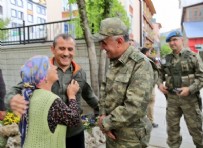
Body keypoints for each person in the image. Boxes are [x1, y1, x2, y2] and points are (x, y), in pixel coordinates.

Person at [4, 34, 99, 148]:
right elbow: (18, 88)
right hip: (52, 134)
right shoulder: (44, 71)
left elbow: (89, 96)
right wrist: (11, 99)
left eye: (70, 49)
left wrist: (104, 114)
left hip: (75, 133)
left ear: (74, 51)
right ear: (53, 49)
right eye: (61, 48)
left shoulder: (80, 73)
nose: (66, 53)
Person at [93, 17, 154, 148]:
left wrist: (106, 123)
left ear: (119, 41)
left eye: (104, 43)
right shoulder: (115, 61)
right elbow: (105, 90)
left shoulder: (141, 64)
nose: (102, 47)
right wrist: (102, 115)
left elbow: (134, 107)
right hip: (112, 133)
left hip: (130, 139)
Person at [19, 55, 80, 147]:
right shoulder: (51, 100)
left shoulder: (29, 96)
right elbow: (74, 120)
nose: (55, 67)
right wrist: (72, 96)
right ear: (43, 76)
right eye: (50, 66)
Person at [157, 30, 203, 148]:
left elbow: (201, 77)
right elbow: (158, 74)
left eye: (175, 40)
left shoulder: (192, 56)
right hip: (172, 100)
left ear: (181, 40)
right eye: (170, 41)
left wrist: (190, 89)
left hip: (190, 100)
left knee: (196, 131)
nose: (172, 43)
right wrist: (159, 84)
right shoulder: (166, 59)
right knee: (172, 131)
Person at [140, 47, 159, 128]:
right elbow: (155, 73)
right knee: (150, 103)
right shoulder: (149, 61)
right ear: (146, 53)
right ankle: (150, 121)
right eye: (149, 52)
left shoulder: (138, 60)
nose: (150, 54)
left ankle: (141, 121)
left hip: (140, 86)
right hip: (149, 86)